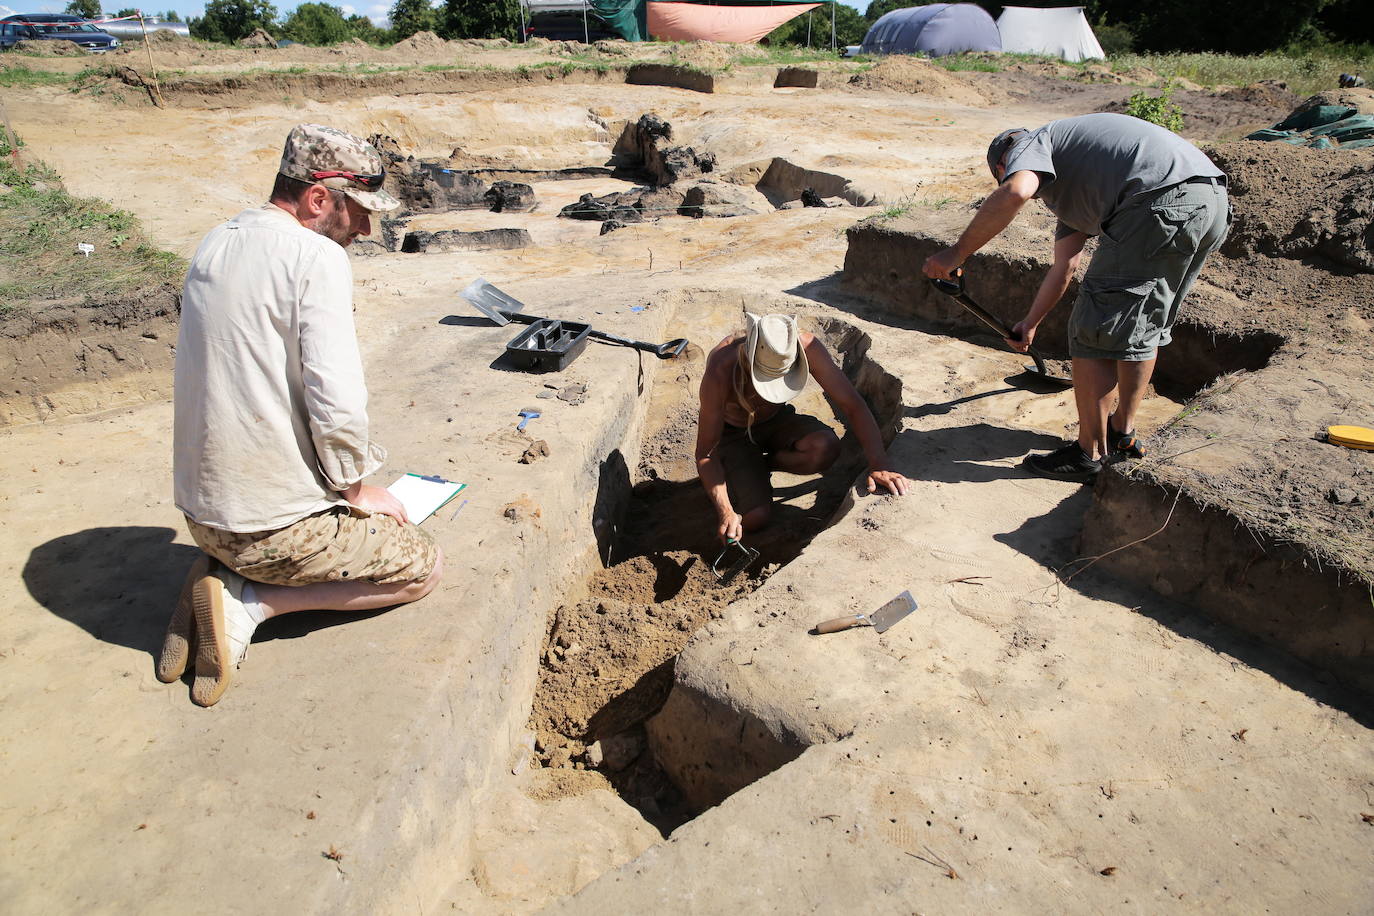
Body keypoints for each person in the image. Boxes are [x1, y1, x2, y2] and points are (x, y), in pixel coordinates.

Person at [158, 124, 444, 707]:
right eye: (358, 211)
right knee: (422, 566)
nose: (366, 228)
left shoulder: (218, 238)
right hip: (267, 528)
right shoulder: (312, 256)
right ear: (319, 198)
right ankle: (249, 599)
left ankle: (219, 564)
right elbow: (335, 402)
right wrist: (357, 489)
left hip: (201, 512)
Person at [922, 112, 1231, 483]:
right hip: (1209, 203)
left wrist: (955, 254)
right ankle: (1121, 433)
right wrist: (1031, 323)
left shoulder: (1031, 143)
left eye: (1004, 173)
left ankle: (1089, 452)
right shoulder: (1080, 181)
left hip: (1157, 203)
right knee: (1144, 325)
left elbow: (1015, 191)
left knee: (1092, 334)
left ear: (1004, 163)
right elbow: (1064, 267)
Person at [696, 312, 909, 544]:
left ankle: (761, 465)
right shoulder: (722, 366)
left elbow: (853, 405)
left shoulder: (805, 346)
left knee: (824, 448)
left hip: (776, 421)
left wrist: (879, 463)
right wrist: (726, 511)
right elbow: (706, 452)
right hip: (732, 434)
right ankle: (744, 470)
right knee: (756, 518)